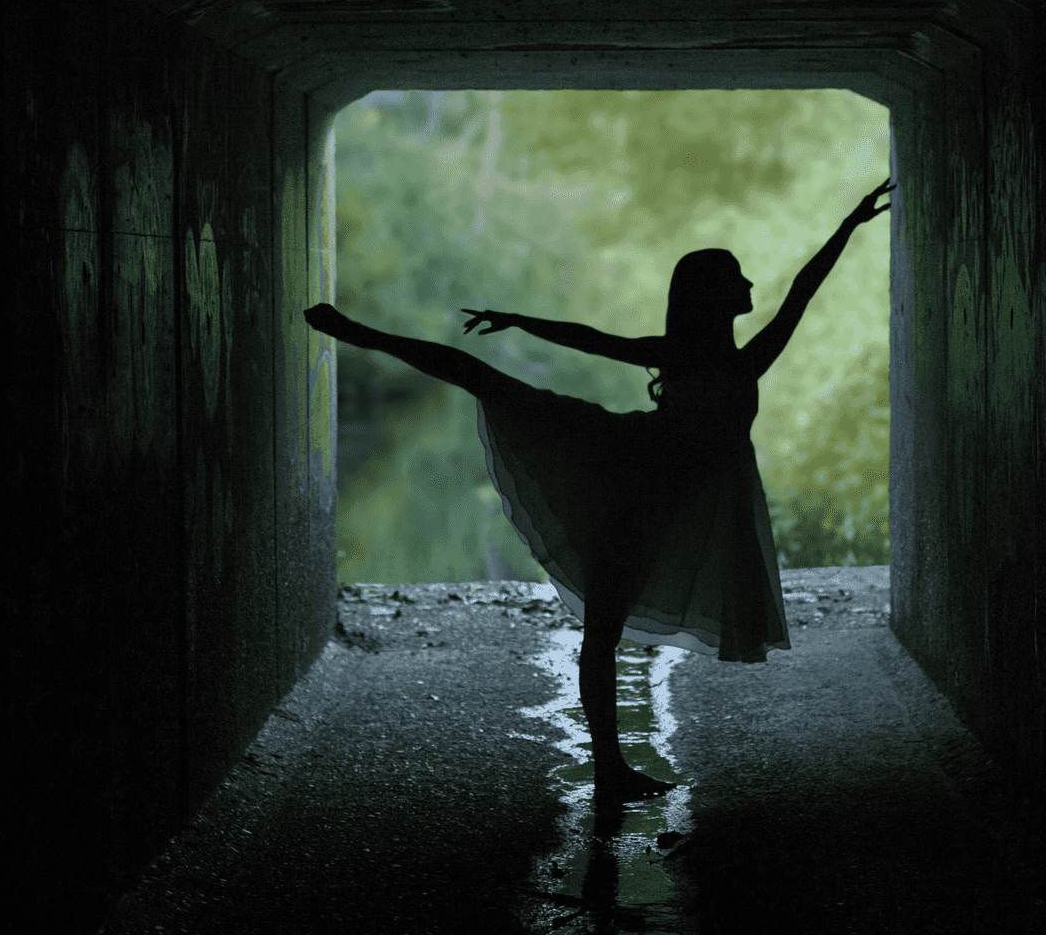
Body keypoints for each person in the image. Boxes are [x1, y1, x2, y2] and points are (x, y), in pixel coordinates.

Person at [304, 178, 894, 802]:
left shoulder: (736, 358)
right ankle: (355, 332)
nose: (750, 287)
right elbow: (590, 339)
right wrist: (519, 320)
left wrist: (850, 225)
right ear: (713, 297)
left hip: (656, 485)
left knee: (602, 628)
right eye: (738, 278)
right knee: (488, 386)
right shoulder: (700, 358)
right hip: (629, 477)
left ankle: (611, 766)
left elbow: (804, 287)